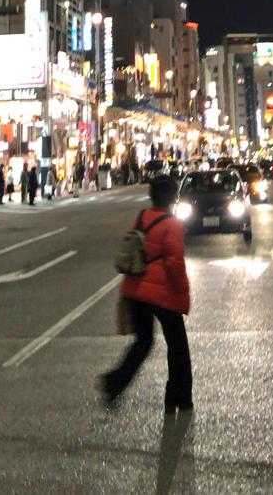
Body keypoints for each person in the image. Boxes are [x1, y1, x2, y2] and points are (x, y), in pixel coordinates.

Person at [99, 176, 192, 412]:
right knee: (178, 345)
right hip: (161, 293)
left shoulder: (141, 218)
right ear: (172, 197)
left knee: (143, 342)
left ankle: (114, 381)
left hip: (135, 289)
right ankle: (178, 397)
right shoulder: (172, 225)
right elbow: (174, 264)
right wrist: (183, 291)